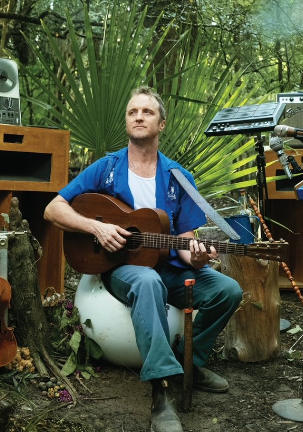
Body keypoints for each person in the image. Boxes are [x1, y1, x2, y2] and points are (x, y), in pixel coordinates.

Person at [44, 86, 243, 432]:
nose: (138, 117)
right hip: (120, 269)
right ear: (127, 122)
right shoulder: (107, 169)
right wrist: (95, 227)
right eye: (132, 112)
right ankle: (161, 390)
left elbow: (184, 240)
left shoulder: (178, 177)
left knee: (227, 290)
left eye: (147, 112)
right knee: (148, 281)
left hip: (168, 267)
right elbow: (53, 209)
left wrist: (197, 258)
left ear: (161, 123)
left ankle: (189, 364)